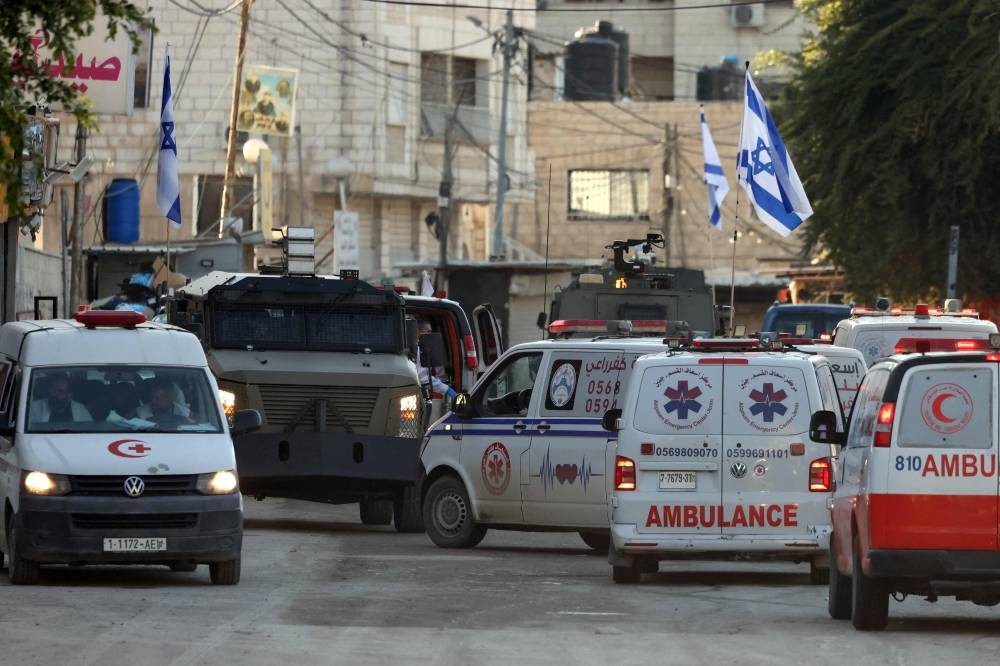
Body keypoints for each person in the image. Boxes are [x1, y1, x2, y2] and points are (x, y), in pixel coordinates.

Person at [416, 319, 456, 401]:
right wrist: (446, 389)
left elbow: (441, 375)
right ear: (417, 333)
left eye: (431, 332)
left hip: (437, 392)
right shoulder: (416, 350)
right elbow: (423, 378)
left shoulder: (431, 349)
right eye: (427, 332)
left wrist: (445, 386)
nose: (430, 335)